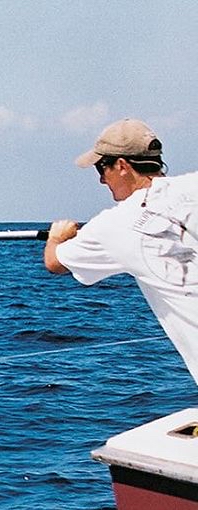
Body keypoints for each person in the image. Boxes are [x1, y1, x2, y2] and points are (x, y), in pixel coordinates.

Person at [44, 117, 198, 383]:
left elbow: (55, 262)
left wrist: (57, 237)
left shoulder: (113, 225)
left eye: (102, 169)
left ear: (123, 166)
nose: (102, 180)